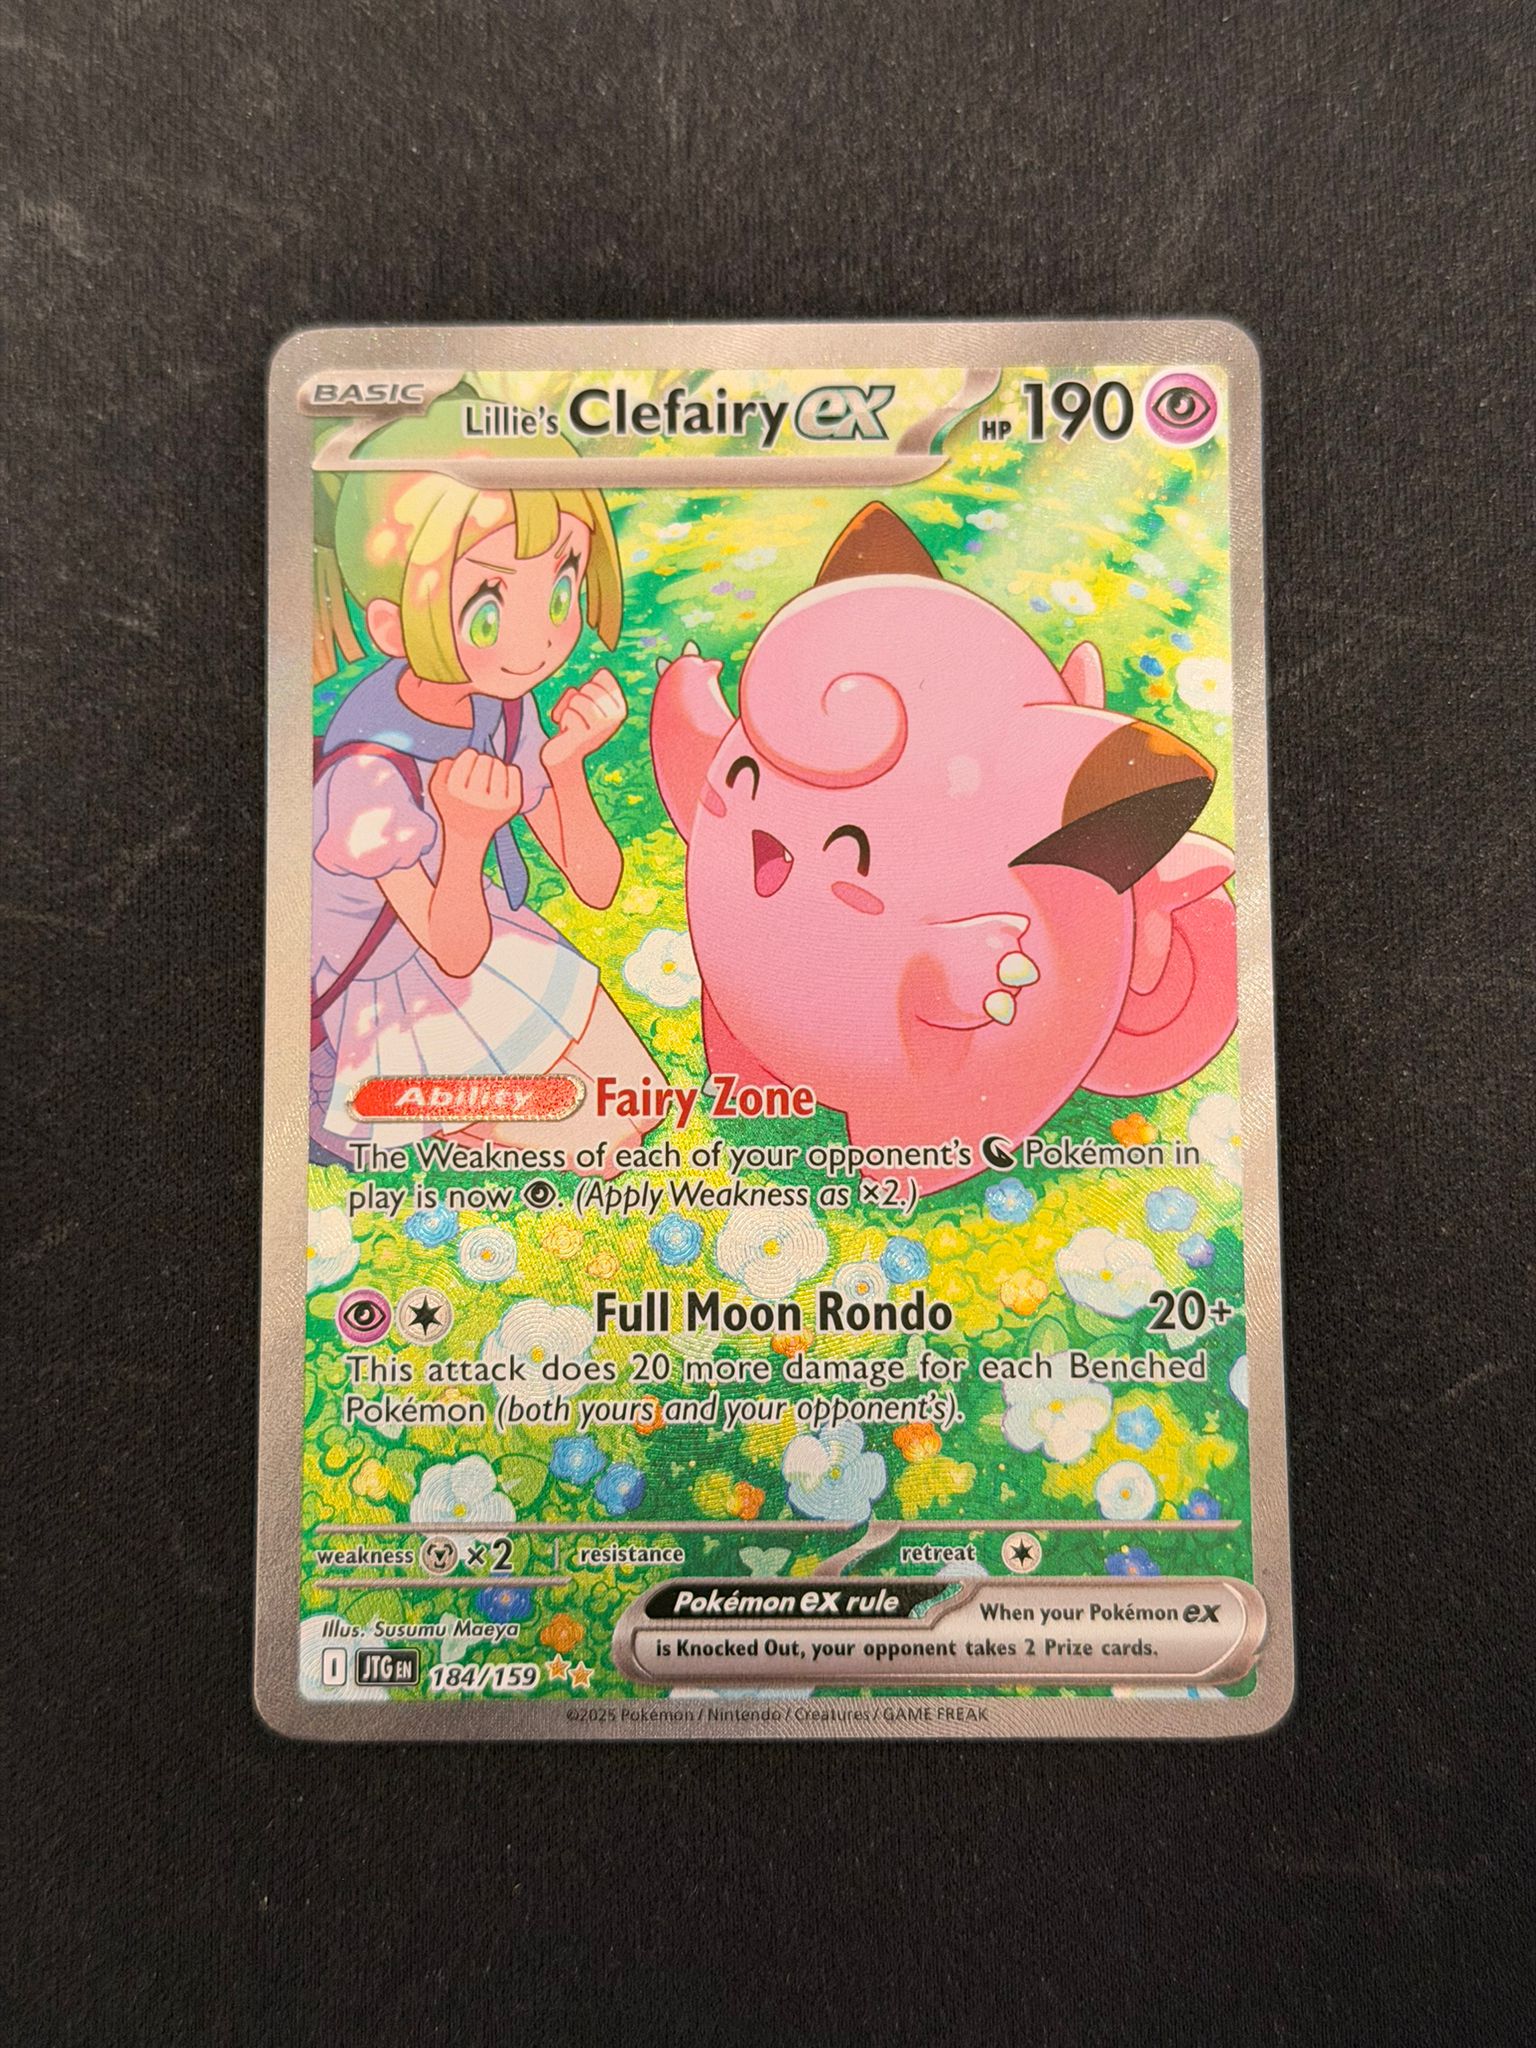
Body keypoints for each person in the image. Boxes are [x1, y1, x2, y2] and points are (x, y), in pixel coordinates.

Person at [309, 398, 662, 1168]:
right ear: (392, 628)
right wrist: (466, 837)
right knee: (602, 1140)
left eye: (561, 591)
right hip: (391, 985)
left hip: (484, 932)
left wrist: (566, 765)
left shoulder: (502, 701)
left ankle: (469, 1111)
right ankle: (385, 1110)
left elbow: (596, 884)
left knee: (641, 1101)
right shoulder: (370, 773)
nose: (538, 641)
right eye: (490, 611)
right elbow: (451, 951)